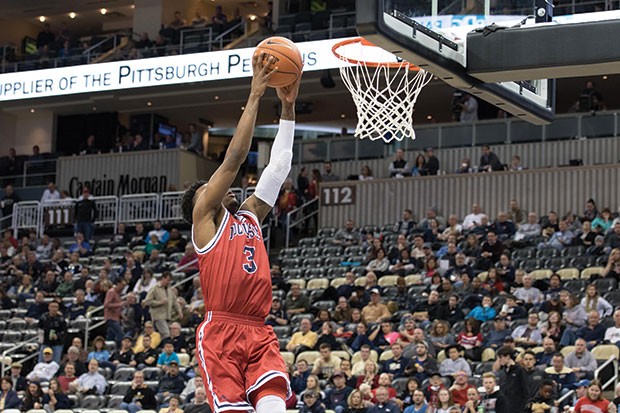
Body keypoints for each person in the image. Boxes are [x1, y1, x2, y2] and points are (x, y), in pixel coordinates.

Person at [179, 54, 299, 413]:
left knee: (275, 405)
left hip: (258, 329)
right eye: (207, 187)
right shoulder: (204, 222)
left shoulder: (249, 215)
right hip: (221, 333)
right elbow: (232, 161)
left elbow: (278, 168)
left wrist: (288, 109)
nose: (217, 187)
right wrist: (255, 95)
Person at [143, 272, 180, 339]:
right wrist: (159, 302)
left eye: (170, 280)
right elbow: (147, 302)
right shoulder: (155, 288)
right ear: (163, 278)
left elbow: (174, 302)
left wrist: (179, 311)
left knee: (160, 336)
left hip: (168, 316)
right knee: (166, 334)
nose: (169, 282)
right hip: (158, 316)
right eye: (168, 280)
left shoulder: (169, 290)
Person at [492, 346, 529, 412]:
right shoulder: (502, 372)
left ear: (508, 357)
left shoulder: (519, 370)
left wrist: (523, 407)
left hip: (517, 408)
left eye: (501, 357)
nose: (499, 360)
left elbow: (526, 390)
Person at [104, 278, 126, 345]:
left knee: (111, 337)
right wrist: (119, 304)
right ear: (118, 284)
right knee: (121, 335)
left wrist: (122, 316)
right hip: (111, 318)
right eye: (122, 285)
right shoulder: (111, 292)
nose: (123, 287)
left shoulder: (118, 293)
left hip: (116, 318)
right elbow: (106, 304)